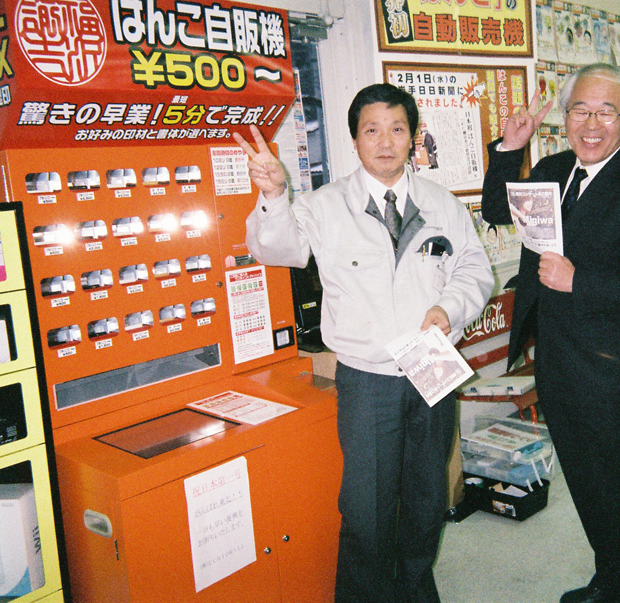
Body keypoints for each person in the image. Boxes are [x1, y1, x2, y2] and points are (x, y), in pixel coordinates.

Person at [235, 83, 493, 603]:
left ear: (413, 137)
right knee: (367, 509)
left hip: (432, 368)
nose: (385, 141)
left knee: (426, 501)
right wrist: (274, 196)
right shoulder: (326, 205)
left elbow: (474, 268)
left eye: (397, 129)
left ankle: (415, 591)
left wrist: (449, 308)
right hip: (368, 379)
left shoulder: (441, 203)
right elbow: (275, 248)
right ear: (354, 139)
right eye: (371, 130)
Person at [481, 63, 620, 603]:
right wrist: (511, 147)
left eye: (605, 112)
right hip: (554, 353)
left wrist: (579, 281)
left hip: (608, 363)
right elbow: (498, 209)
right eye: (580, 111)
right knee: (586, 480)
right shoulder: (552, 168)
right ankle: (614, 577)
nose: (591, 125)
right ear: (565, 117)